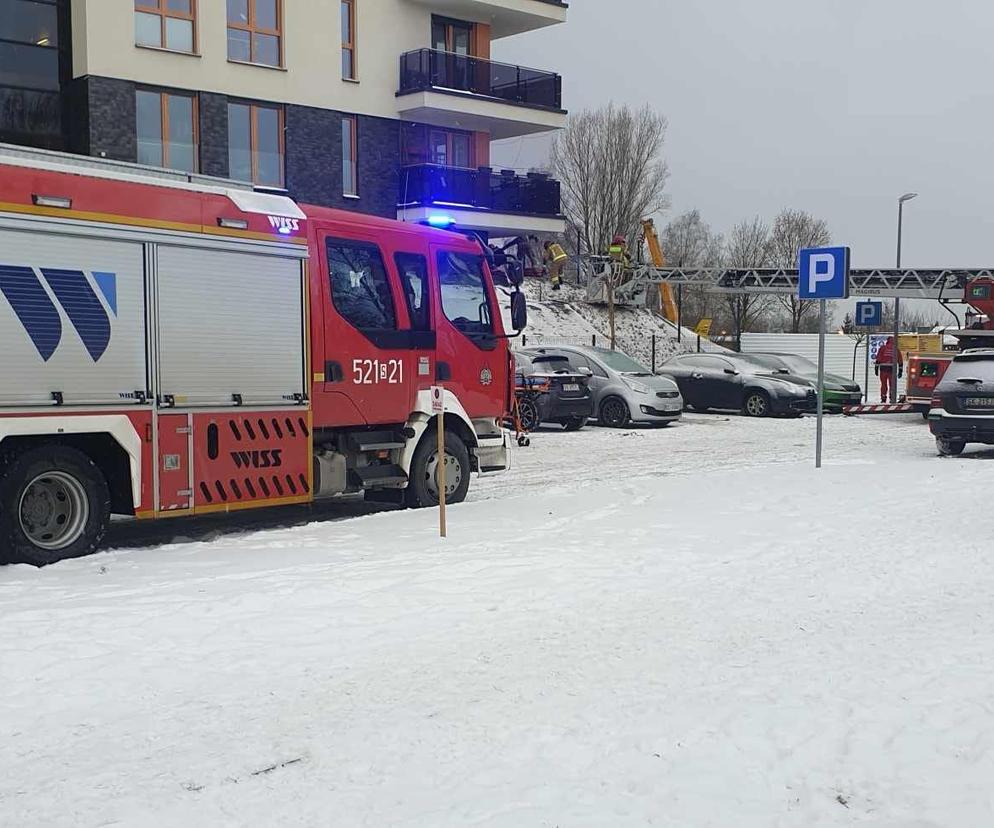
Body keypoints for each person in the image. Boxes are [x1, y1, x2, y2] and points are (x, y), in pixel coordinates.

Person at [874, 336, 904, 403]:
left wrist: (876, 369)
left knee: (883, 384)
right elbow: (900, 361)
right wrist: (900, 371)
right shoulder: (896, 349)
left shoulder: (882, 348)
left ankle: (883, 398)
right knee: (892, 385)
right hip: (892, 369)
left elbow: (878, 359)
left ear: (887, 341)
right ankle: (892, 397)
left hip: (883, 369)